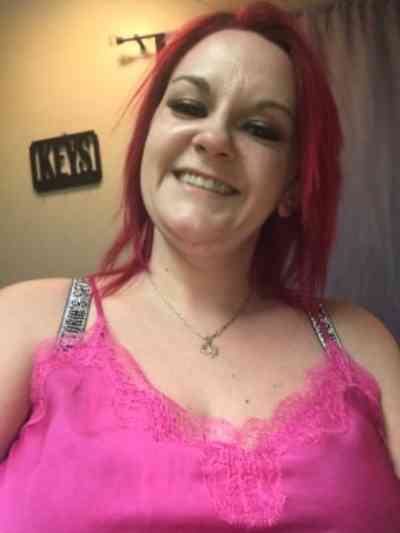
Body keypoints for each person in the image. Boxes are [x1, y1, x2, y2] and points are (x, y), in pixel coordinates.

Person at [1, 1, 399, 531]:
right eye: (189, 106)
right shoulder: (28, 321)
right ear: (147, 140)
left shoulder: (360, 342)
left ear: (291, 186)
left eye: (260, 127)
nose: (213, 139)